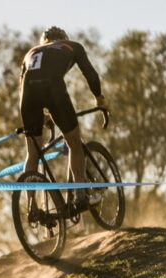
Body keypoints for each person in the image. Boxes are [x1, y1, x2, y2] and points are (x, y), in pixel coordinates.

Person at [20, 26, 111, 210]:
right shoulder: (72, 46)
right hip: (53, 90)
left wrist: (42, 115)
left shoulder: (31, 52)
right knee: (74, 144)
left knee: (32, 154)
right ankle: (80, 196)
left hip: (27, 97)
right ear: (63, 38)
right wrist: (99, 99)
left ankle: (32, 207)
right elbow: (91, 75)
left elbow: (23, 87)